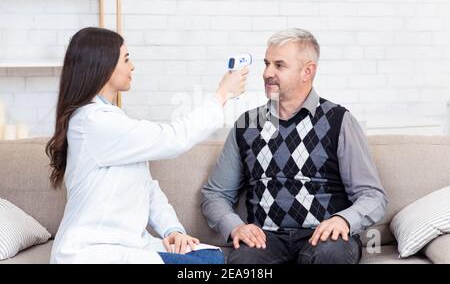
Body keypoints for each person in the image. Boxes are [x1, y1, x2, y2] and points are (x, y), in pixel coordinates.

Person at [46, 27, 248, 264]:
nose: (132, 67)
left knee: (211, 256)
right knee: (204, 264)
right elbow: (173, 138)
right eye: (126, 59)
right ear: (105, 66)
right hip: (91, 251)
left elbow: (147, 188)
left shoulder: (113, 119)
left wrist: (173, 230)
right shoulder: (93, 122)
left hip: (128, 244)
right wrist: (221, 94)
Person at [201, 28, 388, 264]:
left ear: (307, 71)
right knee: (244, 262)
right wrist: (235, 226)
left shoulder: (339, 121)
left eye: (279, 65)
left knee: (329, 255)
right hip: (265, 239)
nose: (267, 73)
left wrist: (344, 220)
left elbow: (372, 195)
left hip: (325, 237)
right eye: (267, 63)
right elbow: (215, 194)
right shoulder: (246, 125)